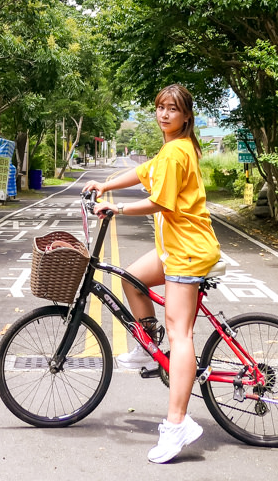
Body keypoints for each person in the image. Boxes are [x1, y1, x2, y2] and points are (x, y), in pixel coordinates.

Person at [82, 83, 220, 464]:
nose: (164, 114)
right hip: (173, 248)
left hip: (187, 252)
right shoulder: (171, 149)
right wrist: (105, 184)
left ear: (186, 116)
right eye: (160, 107)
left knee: (182, 333)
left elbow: (160, 201)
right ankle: (149, 348)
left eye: (172, 109)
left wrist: (116, 210)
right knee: (129, 277)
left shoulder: (177, 151)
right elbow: (144, 172)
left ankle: (178, 424)